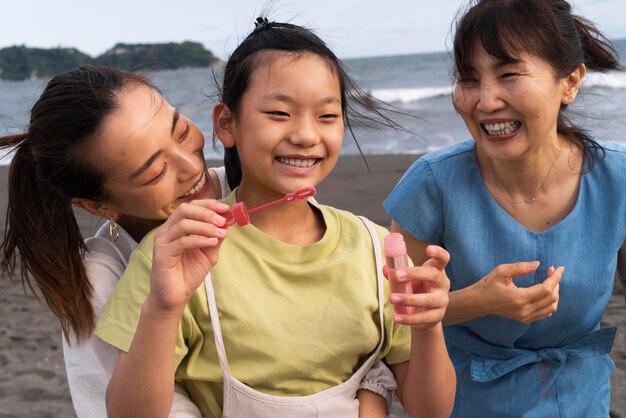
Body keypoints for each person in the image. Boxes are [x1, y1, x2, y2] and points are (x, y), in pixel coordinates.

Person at [95, 18, 456, 418]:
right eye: (280, 113)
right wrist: (163, 308)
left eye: (327, 115)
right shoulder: (174, 257)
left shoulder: (374, 250)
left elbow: (431, 410)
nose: (305, 134)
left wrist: (428, 328)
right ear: (226, 123)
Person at [0, 64, 396, 416]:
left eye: (181, 130)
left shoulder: (249, 191)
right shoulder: (98, 282)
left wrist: (370, 386)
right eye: (155, 172)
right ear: (99, 206)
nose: (194, 167)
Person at [384, 0, 625, 416]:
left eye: (509, 74)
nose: (486, 100)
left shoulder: (617, 179)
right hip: (466, 402)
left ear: (570, 82)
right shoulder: (433, 182)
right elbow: (386, 316)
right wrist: (478, 301)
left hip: (583, 402)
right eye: (469, 78)